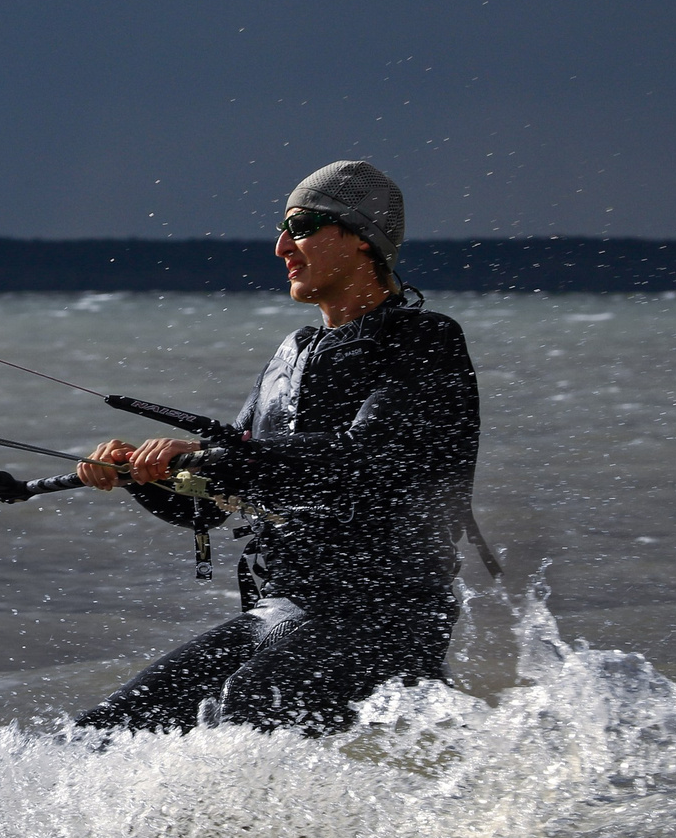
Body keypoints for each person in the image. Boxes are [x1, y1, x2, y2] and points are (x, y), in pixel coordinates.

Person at [71, 160, 485, 737]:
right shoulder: (290, 353)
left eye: (303, 225)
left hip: (385, 613)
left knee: (239, 715)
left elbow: (359, 460)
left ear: (363, 239)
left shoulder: (426, 341)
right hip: (286, 608)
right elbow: (211, 504)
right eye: (282, 228)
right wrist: (147, 478)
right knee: (102, 731)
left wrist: (213, 457)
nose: (281, 247)